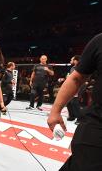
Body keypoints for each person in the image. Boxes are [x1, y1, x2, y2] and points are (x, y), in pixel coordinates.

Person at [47, 33, 102, 171]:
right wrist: (55, 111)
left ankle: (75, 116)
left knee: (75, 103)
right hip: (97, 125)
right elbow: (76, 78)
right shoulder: (99, 41)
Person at [66, 55, 81, 123]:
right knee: (68, 102)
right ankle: (72, 116)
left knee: (75, 102)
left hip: (79, 86)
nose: (70, 61)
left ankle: (79, 118)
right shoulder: (72, 68)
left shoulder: (81, 67)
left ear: (75, 60)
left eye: (72, 60)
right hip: (72, 86)